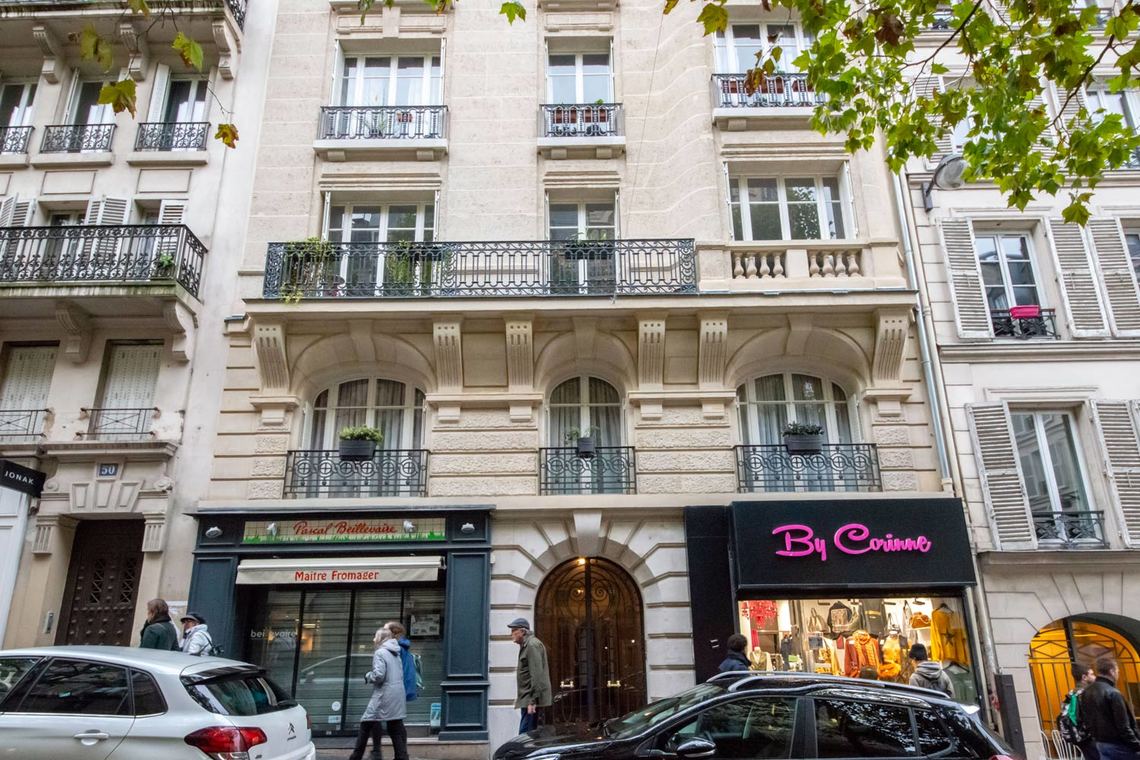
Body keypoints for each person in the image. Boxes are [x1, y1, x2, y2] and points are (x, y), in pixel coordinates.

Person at [352, 622, 410, 760]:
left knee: (365, 724)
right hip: (397, 695)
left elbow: (379, 676)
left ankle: (356, 756)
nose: (373, 639)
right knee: (395, 728)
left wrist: (368, 676)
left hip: (383, 695)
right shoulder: (396, 653)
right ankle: (401, 756)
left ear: (381, 639)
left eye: (375, 637)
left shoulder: (380, 653)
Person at [1079, 657, 1140, 760]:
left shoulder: (1086, 692)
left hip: (1100, 743)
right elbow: (1123, 726)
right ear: (1112, 671)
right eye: (1117, 671)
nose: (1118, 674)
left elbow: (1086, 719)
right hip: (1120, 745)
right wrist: (1136, 744)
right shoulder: (1113, 693)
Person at [508, 618, 551, 734]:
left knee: (525, 734)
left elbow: (536, 675)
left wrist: (532, 701)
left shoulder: (531, 645)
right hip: (528, 697)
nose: (511, 634)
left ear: (522, 631)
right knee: (527, 733)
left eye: (514, 630)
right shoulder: (527, 645)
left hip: (530, 698)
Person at [1060, 663, 1100, 760]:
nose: (1095, 677)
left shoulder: (1071, 694)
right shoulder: (1087, 694)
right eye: (1092, 674)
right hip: (1092, 736)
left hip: (1080, 737)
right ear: (1084, 677)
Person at [389, 621, 418, 702]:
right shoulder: (404, 648)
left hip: (397, 689)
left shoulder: (396, 649)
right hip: (405, 687)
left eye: (384, 631)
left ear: (393, 634)